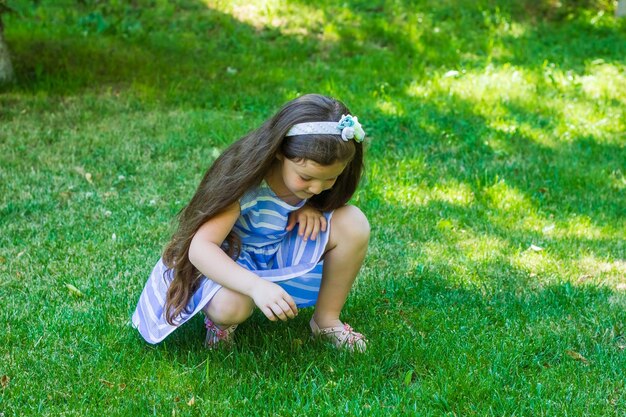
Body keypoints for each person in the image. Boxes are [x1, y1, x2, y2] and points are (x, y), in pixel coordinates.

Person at [132, 94, 370, 352]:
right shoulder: (245, 185)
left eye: (329, 179)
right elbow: (201, 248)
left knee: (353, 222)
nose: (316, 188)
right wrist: (255, 285)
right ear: (279, 151)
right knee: (231, 305)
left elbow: (319, 193)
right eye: (306, 177)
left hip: (275, 250)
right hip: (228, 260)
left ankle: (325, 321)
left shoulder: (312, 191)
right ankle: (220, 325)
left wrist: (313, 206)